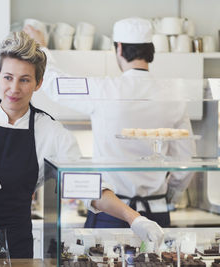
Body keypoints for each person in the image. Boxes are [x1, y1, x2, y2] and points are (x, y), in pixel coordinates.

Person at [0, 31, 164, 259]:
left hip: (18, 248)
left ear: (38, 83)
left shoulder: (51, 133)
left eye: (25, 80)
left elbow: (90, 187)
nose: (14, 88)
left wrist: (134, 218)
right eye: (8, 77)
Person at [24, 17, 196, 228]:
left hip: (110, 211)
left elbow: (56, 85)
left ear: (119, 48)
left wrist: (40, 47)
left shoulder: (104, 90)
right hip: (156, 213)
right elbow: (186, 161)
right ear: (151, 49)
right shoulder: (174, 95)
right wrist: (169, 196)